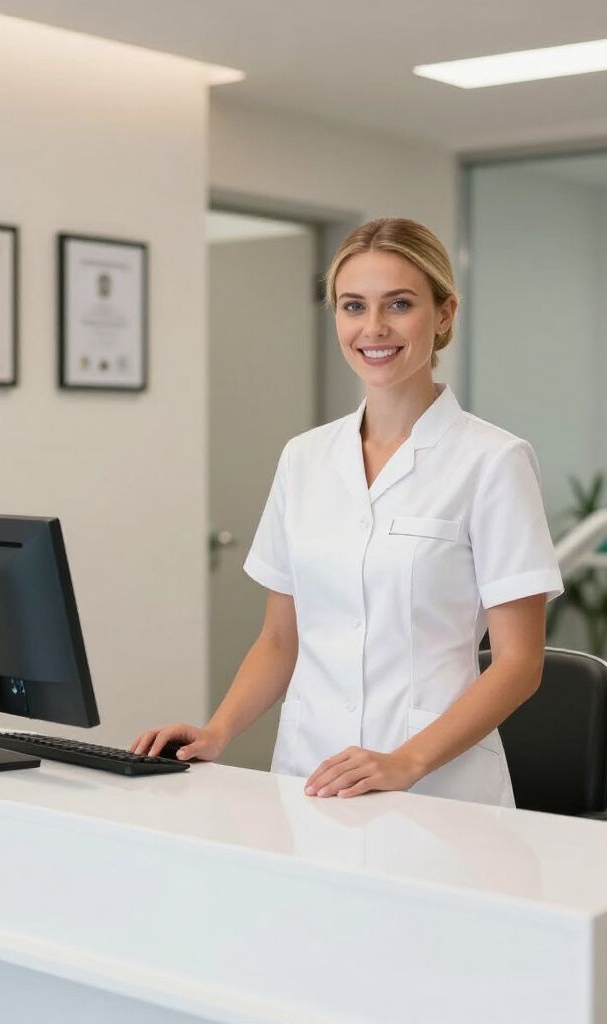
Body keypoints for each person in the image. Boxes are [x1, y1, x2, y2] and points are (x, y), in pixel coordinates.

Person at [131, 217, 563, 805]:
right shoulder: (304, 458)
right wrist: (218, 731)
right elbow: (280, 640)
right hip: (309, 773)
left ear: (444, 314)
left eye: (399, 304)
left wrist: (406, 761)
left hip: (438, 788)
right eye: (353, 306)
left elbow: (519, 663)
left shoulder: (493, 461)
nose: (373, 327)